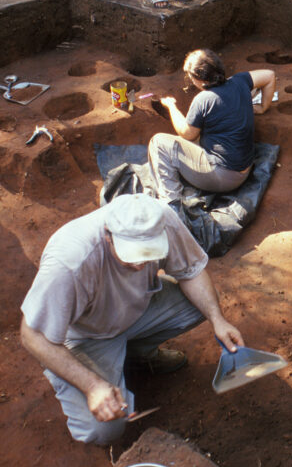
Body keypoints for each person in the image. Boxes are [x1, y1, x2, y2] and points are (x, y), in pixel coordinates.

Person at [20, 194, 244, 445]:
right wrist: (91, 385)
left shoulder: (161, 220)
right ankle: (91, 372)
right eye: (131, 254)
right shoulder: (71, 261)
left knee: (202, 305)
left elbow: (191, 272)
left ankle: (137, 354)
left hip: (136, 310)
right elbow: (32, 336)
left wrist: (218, 320)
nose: (140, 264)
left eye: (149, 253)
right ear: (108, 235)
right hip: (87, 337)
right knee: (103, 430)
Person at [148, 49, 277, 204]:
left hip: (222, 177)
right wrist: (263, 107)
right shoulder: (240, 81)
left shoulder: (204, 99)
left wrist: (171, 107)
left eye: (190, 76)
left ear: (200, 80)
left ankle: (170, 202)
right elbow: (269, 75)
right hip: (245, 167)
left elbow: (187, 134)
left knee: (159, 142)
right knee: (200, 134)